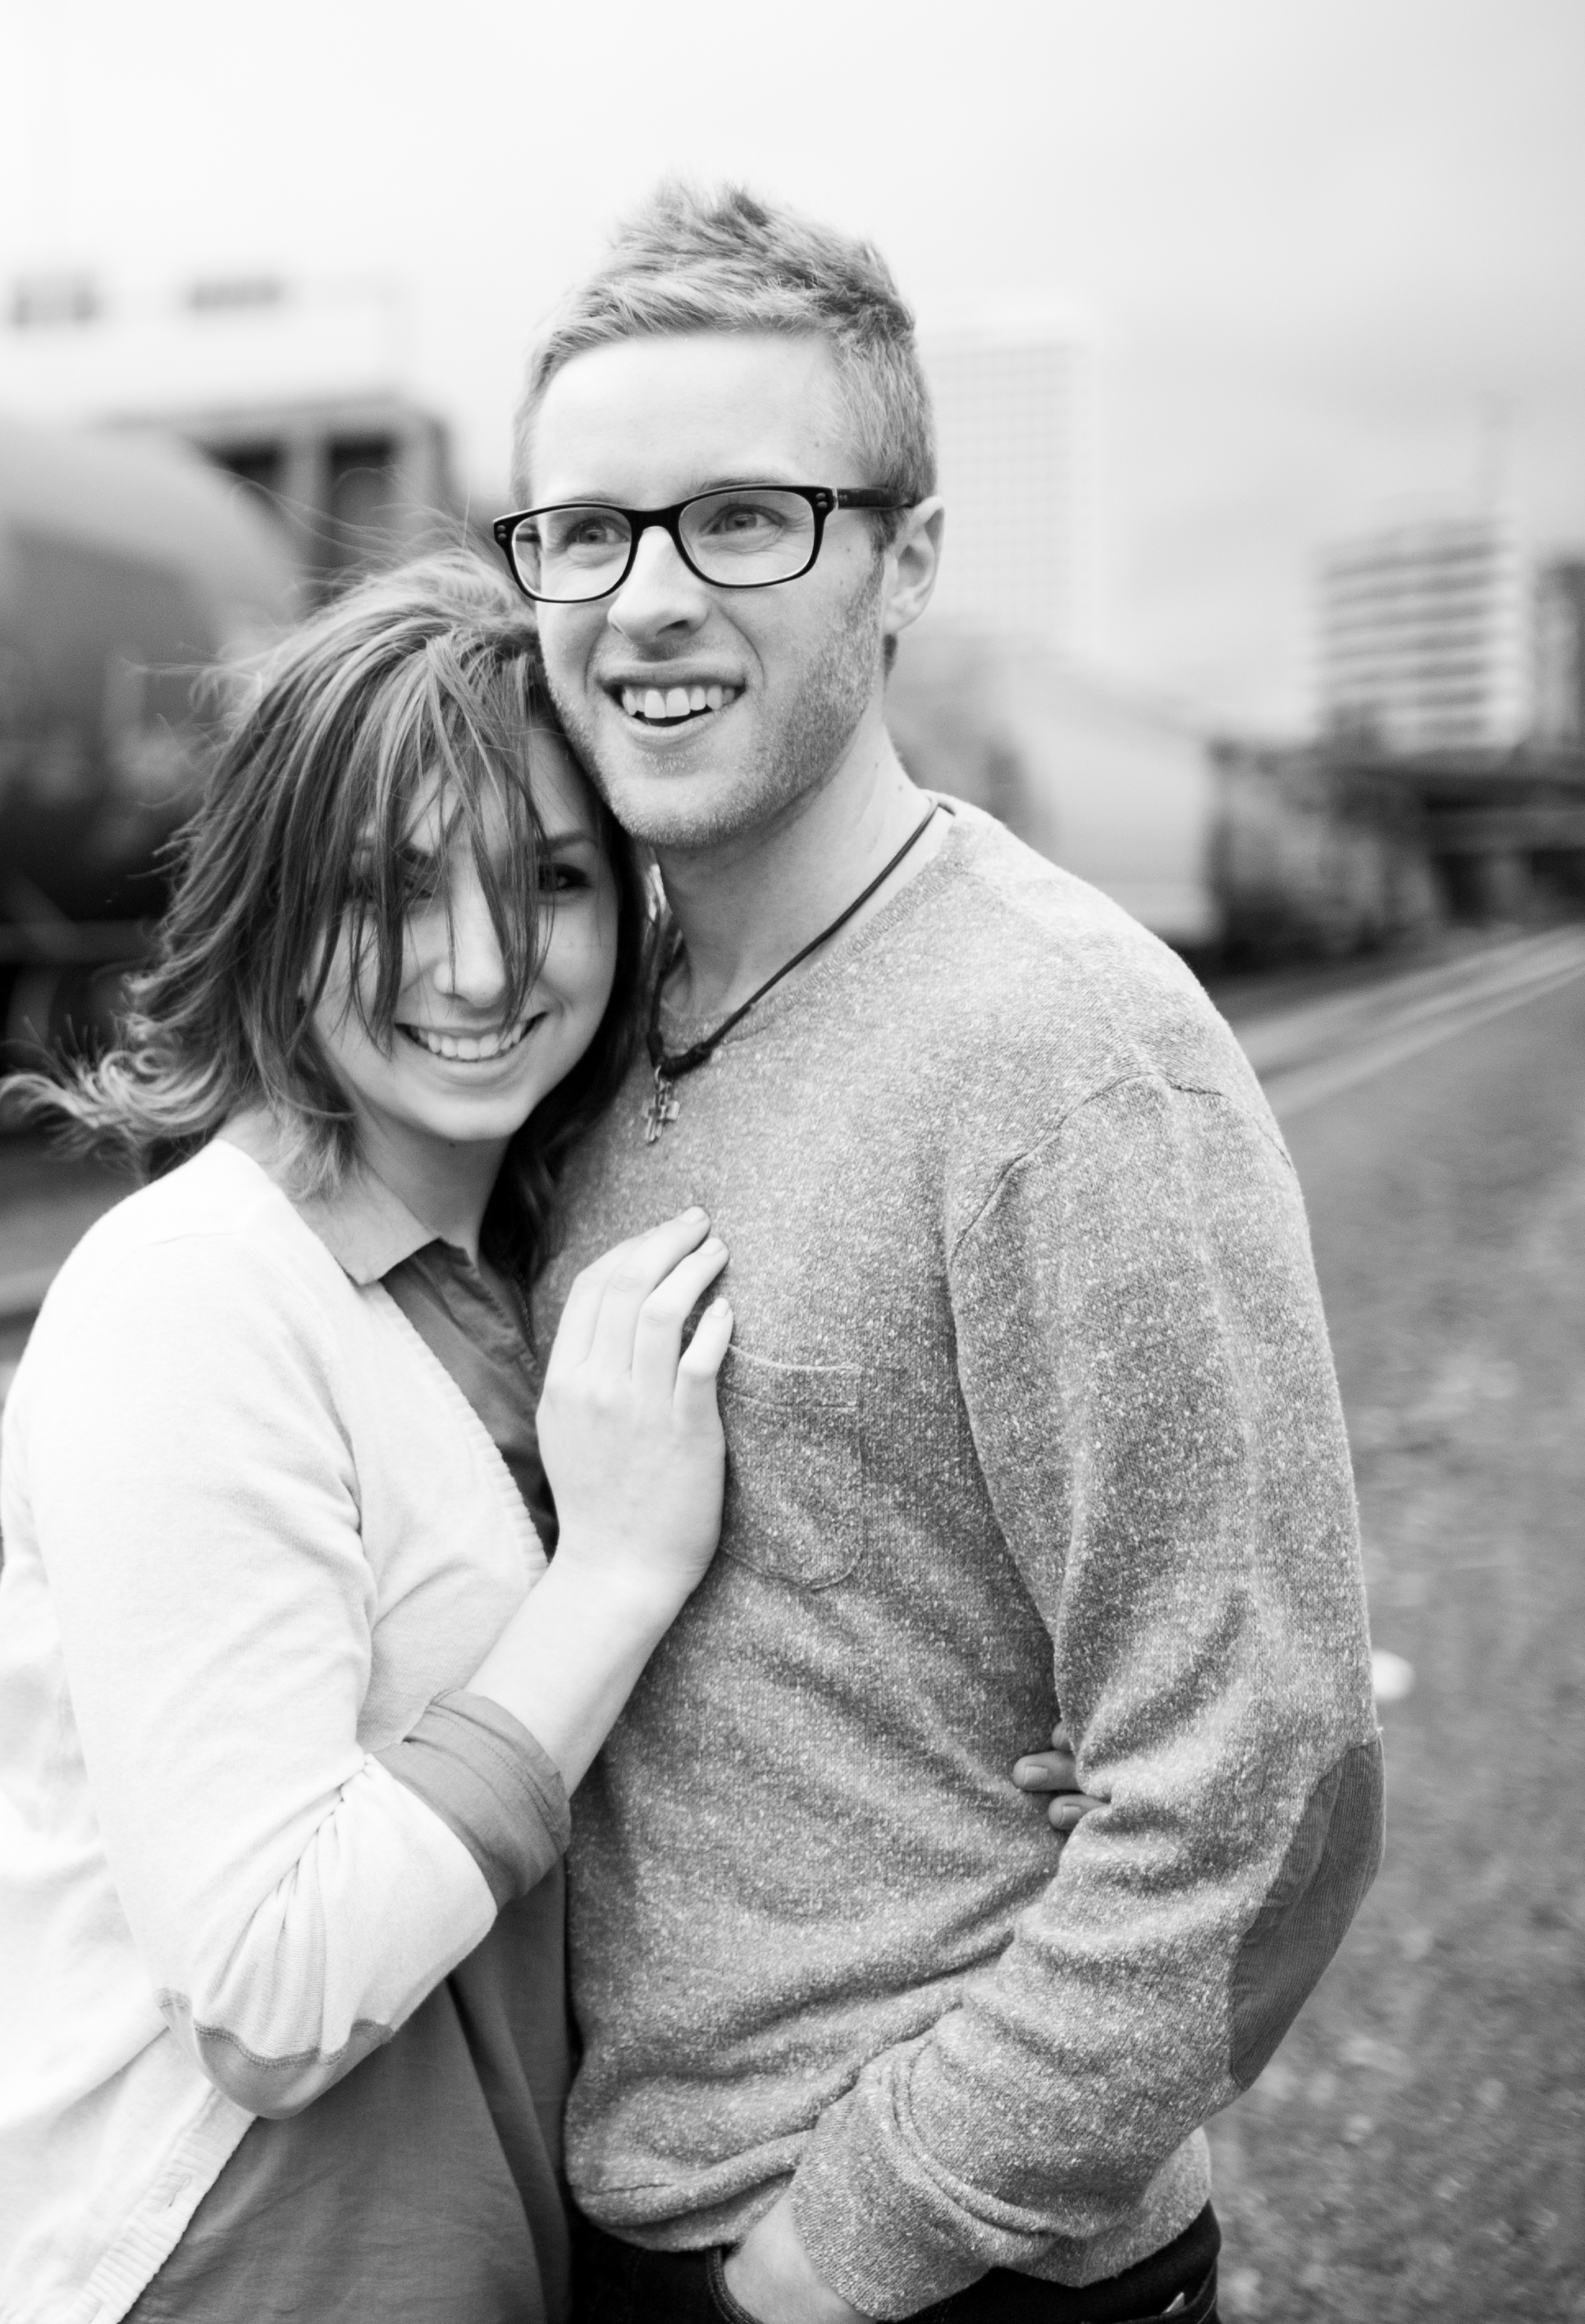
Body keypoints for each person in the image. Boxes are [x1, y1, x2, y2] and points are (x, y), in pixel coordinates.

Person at [0, 559, 1083, 2324]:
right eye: (390, 887)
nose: (475, 968)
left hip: (480, 2227)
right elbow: (270, 1990)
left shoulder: (533, 1251)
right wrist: (609, 1571)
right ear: (272, 911)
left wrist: (997, 1761)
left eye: (543, 879)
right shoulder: (192, 1304)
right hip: (225, 2249)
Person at [499, 185, 1382, 2324]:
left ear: (907, 559)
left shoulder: (1062, 1063)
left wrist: (845, 2252)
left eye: (743, 522)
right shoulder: (577, 1041)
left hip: (919, 2277)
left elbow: (1267, 1793)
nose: (645, 601)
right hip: (616, 2223)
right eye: (586, 532)